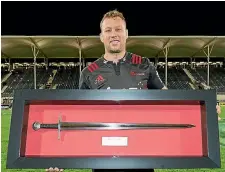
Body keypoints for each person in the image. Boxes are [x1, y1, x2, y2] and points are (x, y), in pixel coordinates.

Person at [46, 9, 221, 172]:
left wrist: (204, 111)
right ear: (101, 36)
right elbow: (78, 116)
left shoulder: (144, 64)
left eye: (118, 29)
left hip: (142, 155)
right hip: (102, 157)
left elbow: (168, 100)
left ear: (126, 33)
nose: (113, 34)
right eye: (108, 30)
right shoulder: (88, 72)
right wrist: (57, 158)